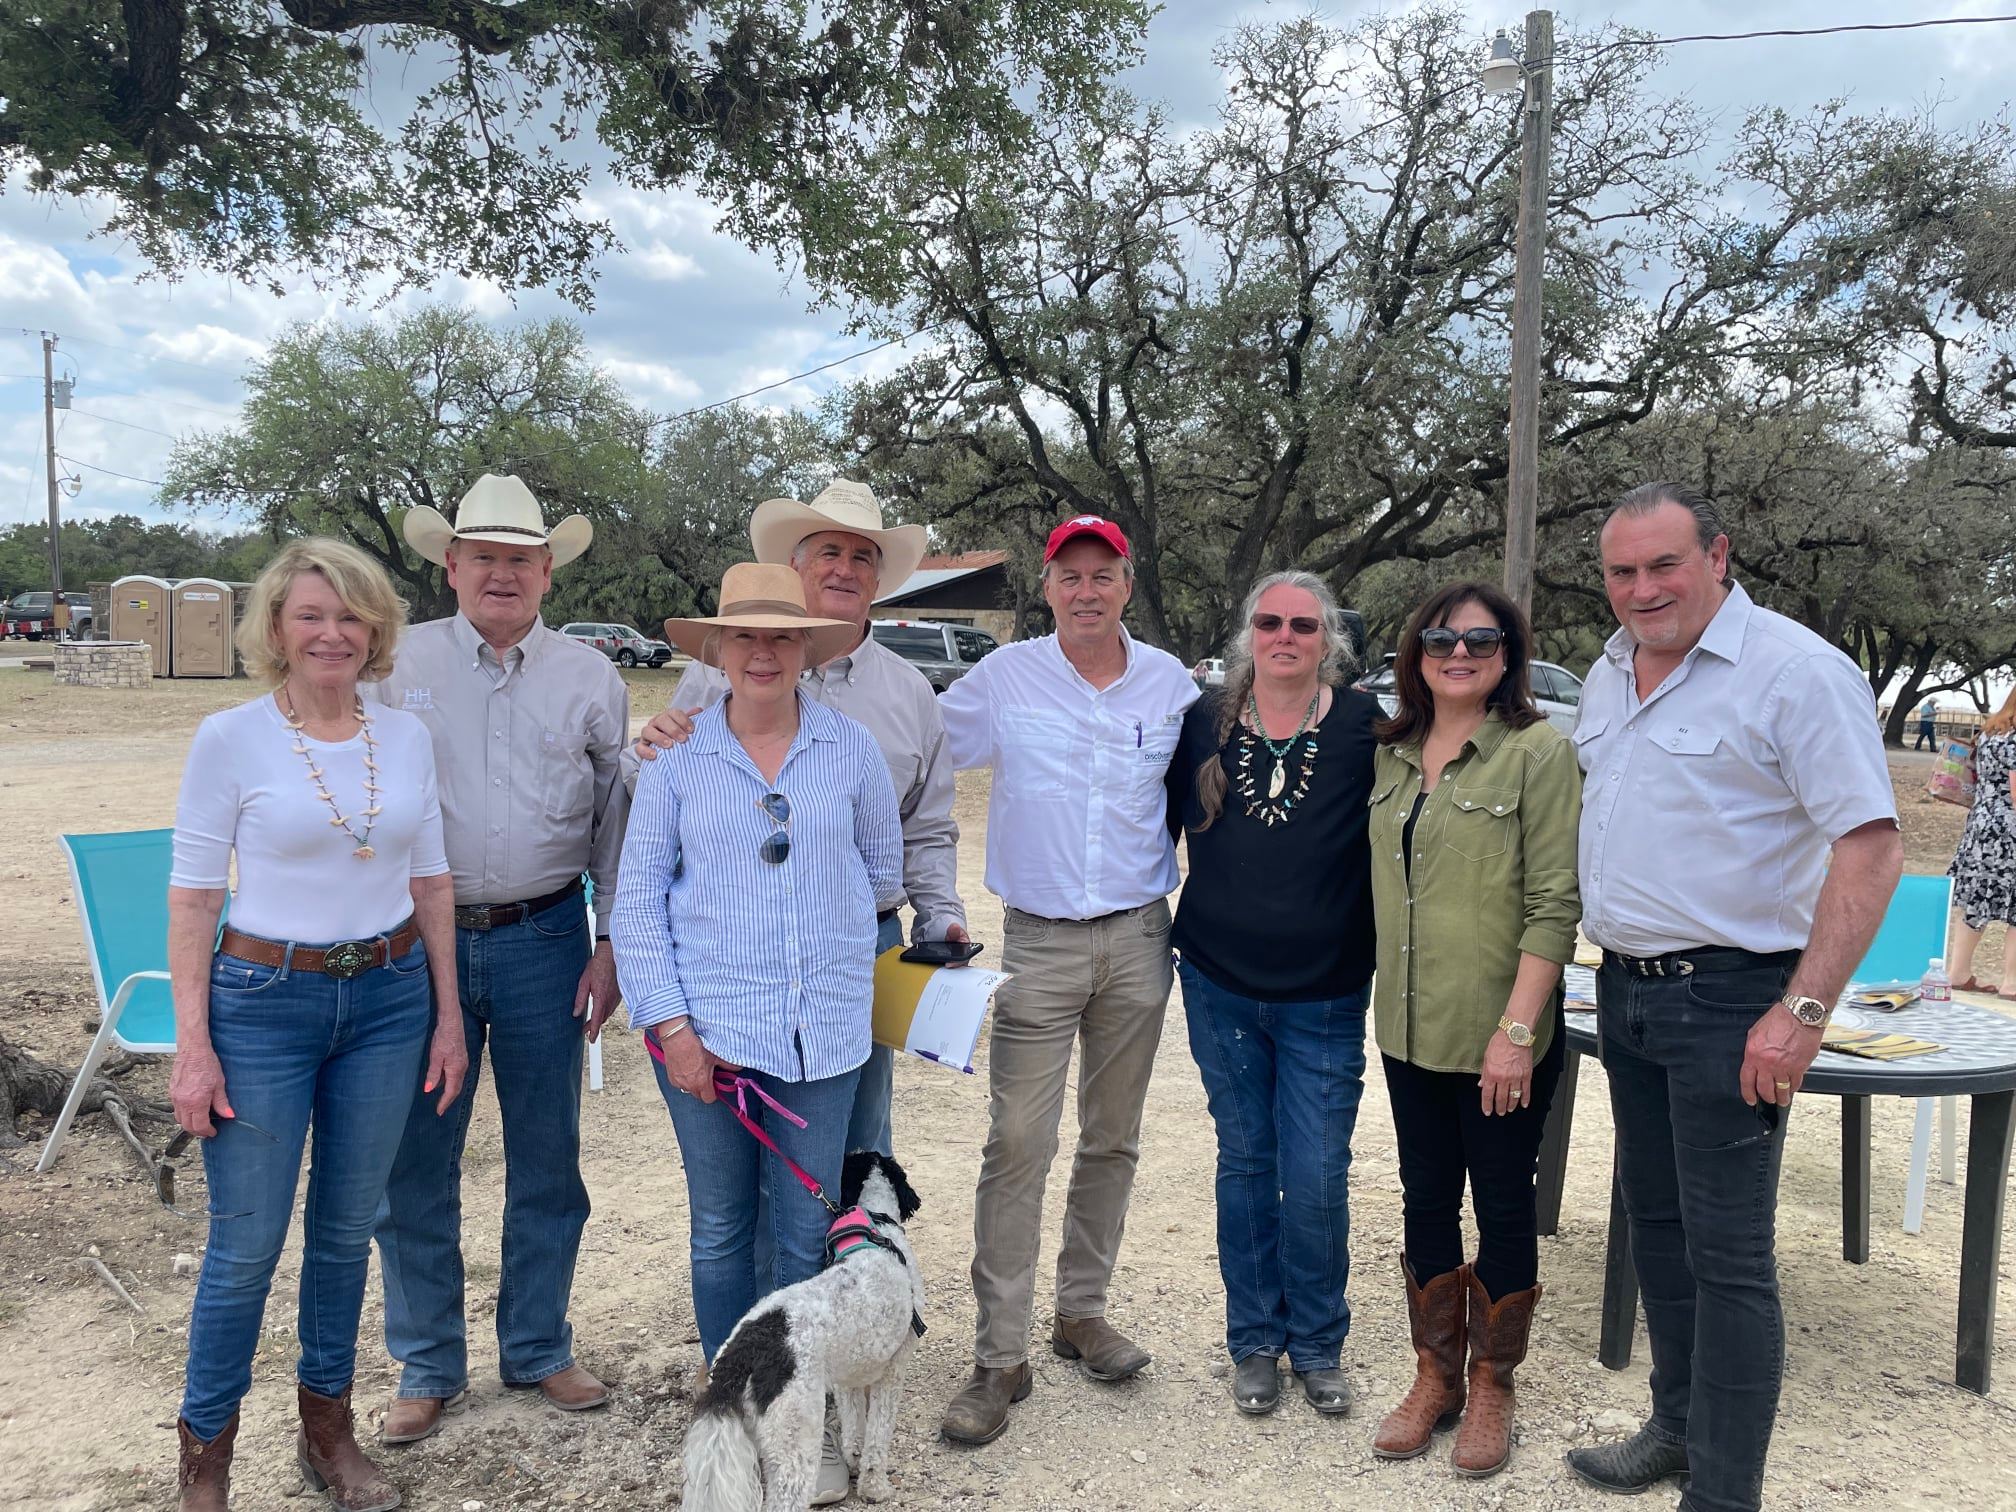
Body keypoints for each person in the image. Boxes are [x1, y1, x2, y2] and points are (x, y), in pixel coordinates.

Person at [1565, 483, 1901, 1512]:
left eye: (1664, 565)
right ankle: (1676, 1424)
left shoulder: (1796, 673)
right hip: (1626, 992)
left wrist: (1802, 1013)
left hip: (1733, 1001)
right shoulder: (1609, 673)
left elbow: (1872, 847)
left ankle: (1726, 1490)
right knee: (1655, 1225)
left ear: (1719, 556)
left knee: (1731, 1259)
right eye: (1622, 571)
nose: (1642, 589)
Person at [167, 539, 467, 1512]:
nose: (332, 633)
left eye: (350, 616)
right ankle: (206, 1460)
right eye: (310, 614)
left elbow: (429, 880)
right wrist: (195, 1047)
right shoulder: (232, 739)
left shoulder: (406, 738)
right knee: (246, 1247)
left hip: (386, 1002)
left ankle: (327, 1437)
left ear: (376, 629)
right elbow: (193, 901)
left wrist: (448, 1015)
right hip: (263, 1007)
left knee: (344, 1237)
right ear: (277, 630)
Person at [369, 475, 631, 1445]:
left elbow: (616, 818)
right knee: (417, 1161)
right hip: (416, 947)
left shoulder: (589, 677)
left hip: (547, 936)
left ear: (546, 570)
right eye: (483, 556)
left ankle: (536, 1346)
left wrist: (612, 944)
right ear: (451, 565)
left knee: (547, 1159)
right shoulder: (396, 668)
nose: (502, 574)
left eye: (520, 558)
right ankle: (428, 1364)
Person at [936, 514, 1200, 1447]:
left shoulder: (1171, 684)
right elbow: (917, 747)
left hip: (1138, 938)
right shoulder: (1004, 678)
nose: (1086, 591)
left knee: (1114, 1138)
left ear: (1128, 582)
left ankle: (1081, 1313)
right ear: (1046, 589)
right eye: (1068, 576)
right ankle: (998, 1356)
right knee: (1017, 1141)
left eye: (1103, 574)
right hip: (1041, 942)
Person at [612, 562, 903, 1368]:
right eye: (746, 634)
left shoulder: (851, 751)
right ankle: (731, 1397)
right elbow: (635, 899)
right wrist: (673, 1029)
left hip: (825, 1038)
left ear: (807, 650)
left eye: (783, 636)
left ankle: (797, 1399)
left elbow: (881, 877)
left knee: (807, 1227)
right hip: (710, 1032)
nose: (764, 652)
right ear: (719, 647)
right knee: (721, 1225)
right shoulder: (677, 758)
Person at [630, 478, 969, 1158]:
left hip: (863, 941)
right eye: (828, 552)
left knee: (858, 1129)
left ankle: (857, 1259)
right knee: (747, 1134)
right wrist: (642, 745)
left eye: (861, 556)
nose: (845, 568)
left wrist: (940, 916)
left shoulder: (910, 694)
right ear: (797, 566)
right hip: (737, 941)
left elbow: (926, 828)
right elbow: (660, 787)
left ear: (877, 577)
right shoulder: (713, 676)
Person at [1364, 581, 1581, 1477]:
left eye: (1482, 641)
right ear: (1417, 653)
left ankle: (1494, 1381)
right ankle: (1435, 1375)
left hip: (1501, 1035)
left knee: (1500, 1203)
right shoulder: (1390, 753)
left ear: (1508, 657)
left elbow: (1554, 905)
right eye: (1443, 639)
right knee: (1422, 1199)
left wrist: (1517, 1033)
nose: (1461, 653)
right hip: (1409, 1031)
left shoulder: (1538, 752)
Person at [1164, 571, 1378, 1418]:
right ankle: (1255, 1340)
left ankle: (1320, 1345)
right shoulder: (1199, 724)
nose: (1284, 636)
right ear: (1248, 633)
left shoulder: (1369, 727)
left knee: (1319, 1173)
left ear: (1328, 638)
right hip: (1218, 986)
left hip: (1325, 995)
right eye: (1268, 622)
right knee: (1247, 1165)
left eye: (1302, 624)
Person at [1946, 688, 2016, 996]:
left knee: (1976, 900)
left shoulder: (1989, 732)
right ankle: (2012, 981)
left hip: (1980, 825)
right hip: (2009, 830)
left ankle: (1958, 972)